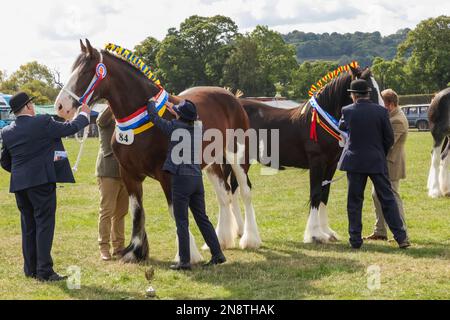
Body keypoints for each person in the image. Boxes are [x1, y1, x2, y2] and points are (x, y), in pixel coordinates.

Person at [0, 92, 91, 281]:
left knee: (28, 226)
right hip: (41, 182)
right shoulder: (41, 122)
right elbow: (70, 127)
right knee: (44, 225)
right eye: (31, 103)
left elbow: (5, 161)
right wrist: (84, 115)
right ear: (27, 107)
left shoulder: (7, 131)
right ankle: (44, 271)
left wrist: (20, 173)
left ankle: (30, 269)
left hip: (20, 184)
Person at [146, 98, 226, 271]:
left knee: (182, 221)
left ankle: (184, 261)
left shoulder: (174, 127)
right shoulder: (198, 128)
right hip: (197, 178)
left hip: (181, 179)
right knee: (202, 218)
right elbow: (191, 118)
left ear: (180, 116)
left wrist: (151, 102)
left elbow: (154, 117)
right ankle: (217, 253)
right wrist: (176, 110)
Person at [338, 80, 410, 249]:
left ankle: (355, 240)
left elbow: (342, 127)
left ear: (353, 95)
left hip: (355, 162)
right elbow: (388, 138)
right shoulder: (381, 111)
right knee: (387, 199)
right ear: (368, 93)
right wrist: (379, 152)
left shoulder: (347, 111)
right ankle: (401, 237)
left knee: (354, 201)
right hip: (377, 161)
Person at [365, 89, 409, 241]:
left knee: (393, 199)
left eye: (381, 104)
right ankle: (380, 231)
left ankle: (402, 232)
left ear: (389, 105)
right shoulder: (391, 116)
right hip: (384, 163)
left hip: (391, 164)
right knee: (376, 195)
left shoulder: (397, 120)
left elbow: (387, 144)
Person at [96, 106, 129, 261]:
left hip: (125, 172)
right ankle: (103, 247)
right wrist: (113, 103)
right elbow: (100, 120)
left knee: (121, 213)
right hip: (108, 171)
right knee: (107, 211)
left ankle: (119, 247)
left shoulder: (126, 122)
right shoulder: (106, 121)